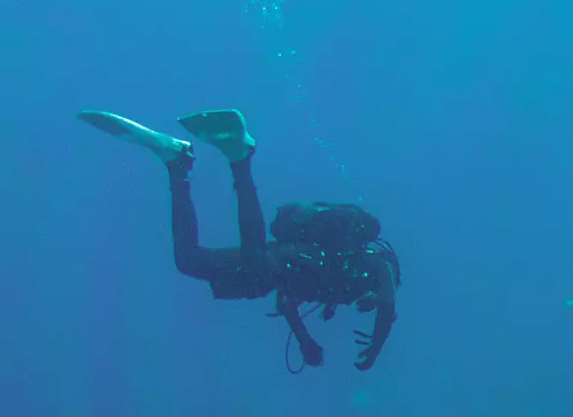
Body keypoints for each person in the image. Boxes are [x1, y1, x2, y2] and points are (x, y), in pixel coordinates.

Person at [78, 108, 399, 370]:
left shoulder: (348, 281)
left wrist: (304, 339)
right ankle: (240, 159)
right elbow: (386, 306)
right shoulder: (376, 266)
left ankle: (176, 164)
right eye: (372, 298)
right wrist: (374, 350)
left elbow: (287, 300)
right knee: (254, 261)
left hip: (278, 269)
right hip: (282, 261)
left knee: (188, 261)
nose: (367, 303)